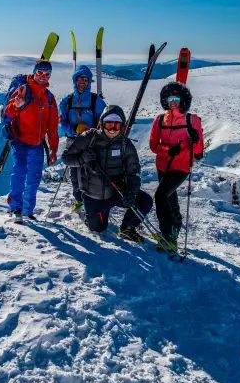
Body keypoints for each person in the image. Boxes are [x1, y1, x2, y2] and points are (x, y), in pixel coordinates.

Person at [62, 105, 153, 240]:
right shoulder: (89, 137)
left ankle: (127, 228)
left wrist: (131, 193)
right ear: (102, 124)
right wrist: (82, 158)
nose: (112, 129)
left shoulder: (125, 145)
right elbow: (66, 158)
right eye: (109, 125)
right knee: (98, 228)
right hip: (93, 195)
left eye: (116, 126)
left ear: (121, 127)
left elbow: (133, 172)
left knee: (144, 200)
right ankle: (86, 211)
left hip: (116, 191)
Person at [149, 81, 204, 250]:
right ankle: (175, 228)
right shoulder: (159, 120)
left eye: (176, 98)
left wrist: (195, 140)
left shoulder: (192, 120)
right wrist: (167, 150)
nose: (173, 101)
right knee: (169, 198)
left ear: (183, 100)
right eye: (170, 98)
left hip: (180, 167)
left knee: (160, 196)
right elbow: (153, 145)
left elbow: (198, 151)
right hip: (162, 166)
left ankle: (167, 236)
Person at [3, 59, 60, 224]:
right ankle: (16, 208)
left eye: (47, 74)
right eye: (40, 72)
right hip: (20, 141)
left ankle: (28, 211)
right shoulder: (23, 91)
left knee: (34, 178)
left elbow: (53, 127)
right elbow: (7, 115)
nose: (43, 76)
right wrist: (16, 105)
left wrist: (54, 150)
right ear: (34, 73)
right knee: (19, 172)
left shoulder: (49, 98)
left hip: (37, 144)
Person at [57, 65, 107, 213]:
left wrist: (95, 132)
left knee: (92, 171)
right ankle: (79, 200)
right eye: (79, 79)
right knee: (74, 172)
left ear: (89, 82)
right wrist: (72, 129)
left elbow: (103, 121)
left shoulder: (96, 100)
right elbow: (61, 124)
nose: (82, 82)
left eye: (85, 80)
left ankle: (93, 200)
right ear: (75, 80)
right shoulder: (67, 101)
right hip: (73, 140)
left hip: (91, 141)